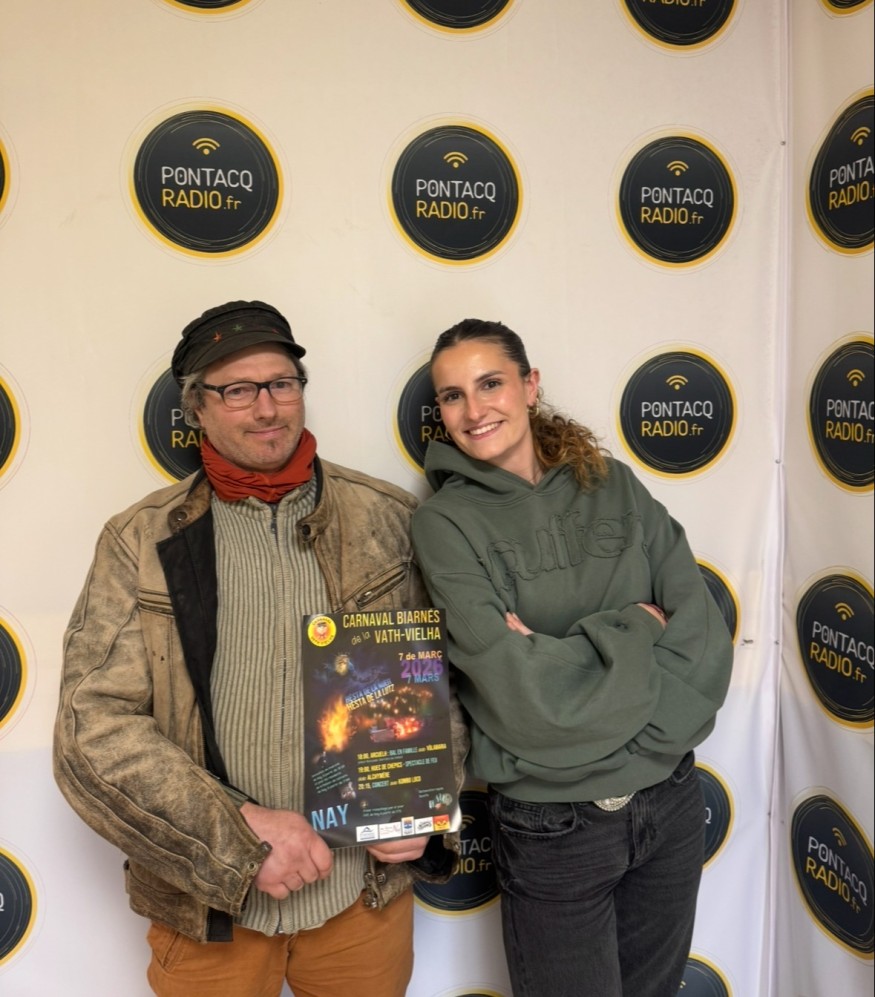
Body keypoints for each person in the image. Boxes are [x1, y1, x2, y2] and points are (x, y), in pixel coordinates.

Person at [53, 300, 467, 997]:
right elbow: (91, 730)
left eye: (281, 383)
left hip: (360, 902)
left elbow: (443, 686)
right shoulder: (140, 540)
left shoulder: (388, 519)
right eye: (238, 390)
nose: (267, 407)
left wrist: (423, 811)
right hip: (211, 909)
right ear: (196, 407)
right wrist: (238, 838)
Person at [410, 318, 734, 997]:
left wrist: (558, 654)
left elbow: (700, 639)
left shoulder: (612, 484)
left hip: (668, 800)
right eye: (452, 395)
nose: (473, 410)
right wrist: (637, 627)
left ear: (530, 386)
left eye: (490, 383)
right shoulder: (444, 523)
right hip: (553, 827)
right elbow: (521, 695)